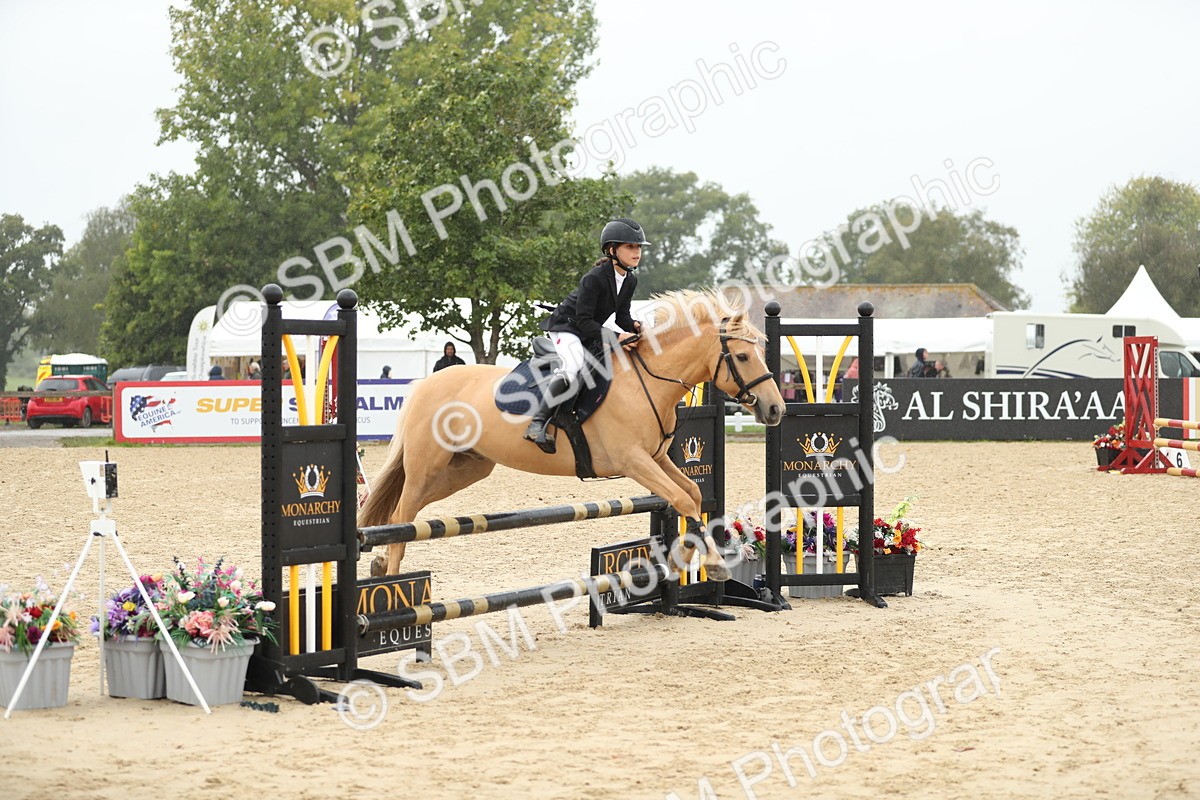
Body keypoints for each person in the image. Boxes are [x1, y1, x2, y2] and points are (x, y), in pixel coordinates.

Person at [524, 217, 646, 453]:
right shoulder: (595, 278)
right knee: (572, 366)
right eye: (630, 246)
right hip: (566, 328)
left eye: (638, 247)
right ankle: (536, 424)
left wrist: (635, 327)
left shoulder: (630, 280)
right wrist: (616, 338)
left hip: (588, 330)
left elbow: (622, 317)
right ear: (612, 250)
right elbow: (583, 321)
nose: (637, 252)